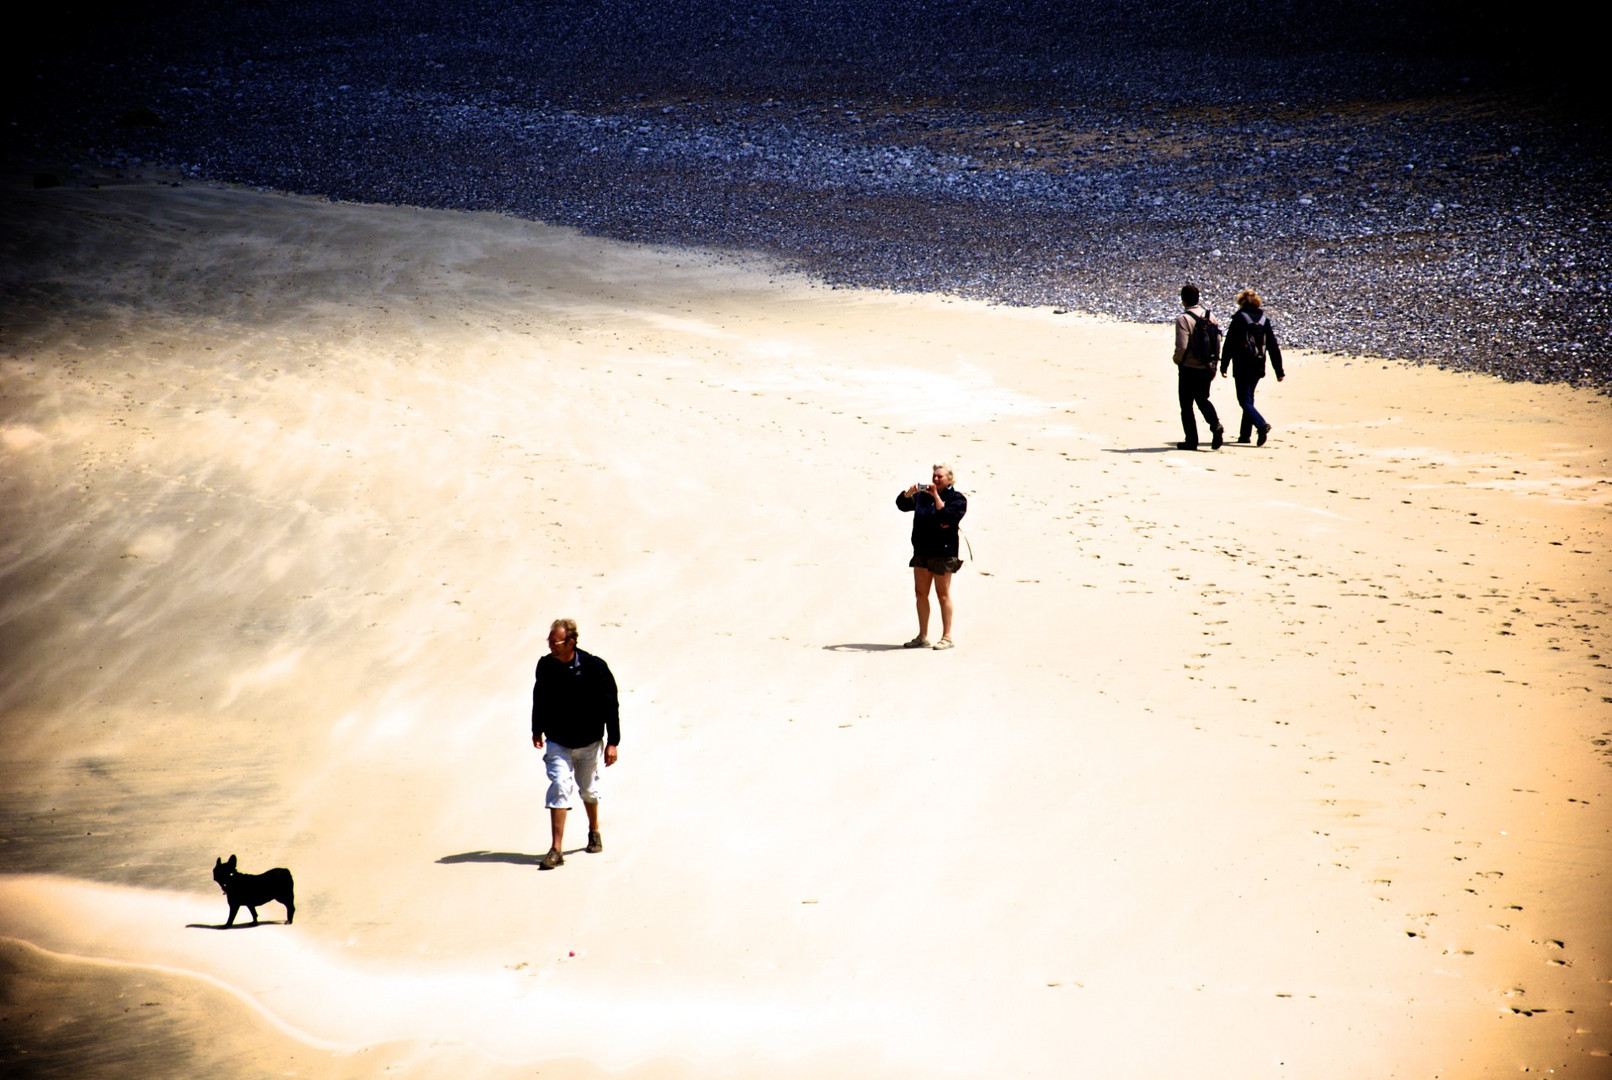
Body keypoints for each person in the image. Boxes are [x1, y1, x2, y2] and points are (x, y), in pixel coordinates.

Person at [531, 618, 620, 869]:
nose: (551, 646)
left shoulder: (595, 667)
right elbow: (540, 697)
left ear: (571, 642)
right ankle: (556, 849)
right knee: (560, 785)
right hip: (558, 740)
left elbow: (610, 705)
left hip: (589, 741)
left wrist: (613, 742)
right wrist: (537, 729)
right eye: (549, 641)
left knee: (588, 790)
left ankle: (594, 830)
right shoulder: (546, 666)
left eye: (555, 642)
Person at [896, 463, 968, 650]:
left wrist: (936, 496)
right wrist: (909, 493)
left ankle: (947, 636)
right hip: (922, 550)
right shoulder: (921, 497)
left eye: (940, 477)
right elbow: (902, 506)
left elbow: (947, 517)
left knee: (942, 594)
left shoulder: (957, 498)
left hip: (944, 552)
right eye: (934, 476)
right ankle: (922, 635)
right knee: (920, 593)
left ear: (949, 479)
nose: (935, 480)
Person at [1219, 288, 1286, 446]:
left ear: (1241, 302)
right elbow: (1273, 346)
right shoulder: (1264, 320)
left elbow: (1229, 344)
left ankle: (1261, 425)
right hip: (1258, 364)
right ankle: (1244, 435)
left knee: (1244, 400)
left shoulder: (1239, 318)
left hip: (1242, 364)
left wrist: (1224, 365)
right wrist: (1279, 370)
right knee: (1248, 398)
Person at [1173, 283, 1225, 450]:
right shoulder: (1211, 316)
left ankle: (1191, 441)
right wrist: (1214, 364)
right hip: (1207, 367)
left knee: (1186, 405)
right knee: (1202, 399)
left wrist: (1177, 359)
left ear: (1183, 300)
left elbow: (1182, 345)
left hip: (1189, 367)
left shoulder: (1184, 319)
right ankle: (1215, 424)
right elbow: (1217, 341)